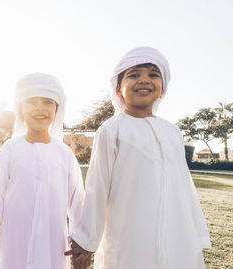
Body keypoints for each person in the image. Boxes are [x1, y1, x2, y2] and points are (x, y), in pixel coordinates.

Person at [66, 47, 211, 269]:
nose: (144, 80)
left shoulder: (172, 132)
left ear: (163, 88)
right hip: (128, 238)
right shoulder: (111, 130)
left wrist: (195, 234)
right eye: (134, 75)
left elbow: (184, 184)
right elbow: (98, 187)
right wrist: (87, 241)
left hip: (176, 238)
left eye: (153, 74)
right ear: (118, 89)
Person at [0, 73, 85, 269]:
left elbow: (77, 200)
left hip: (52, 239)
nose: (40, 108)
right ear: (21, 109)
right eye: (32, 102)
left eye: (47, 102)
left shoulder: (64, 154)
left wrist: (80, 239)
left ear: (57, 109)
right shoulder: (10, 149)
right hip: (15, 236)